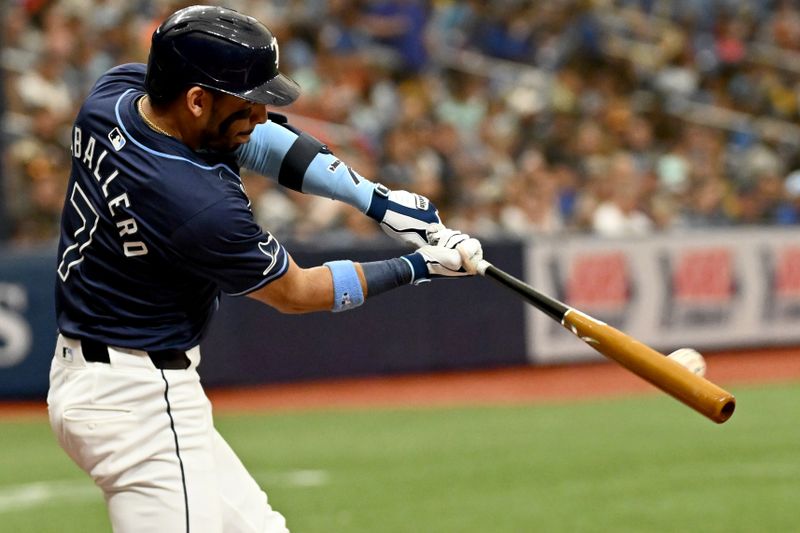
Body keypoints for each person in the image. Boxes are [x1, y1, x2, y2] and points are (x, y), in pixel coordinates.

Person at [46, 6, 482, 533]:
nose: (259, 116)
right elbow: (296, 291)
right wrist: (418, 266)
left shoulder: (114, 97)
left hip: (104, 376)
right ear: (197, 99)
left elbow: (260, 139)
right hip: (138, 399)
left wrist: (375, 200)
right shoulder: (197, 204)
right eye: (248, 103)